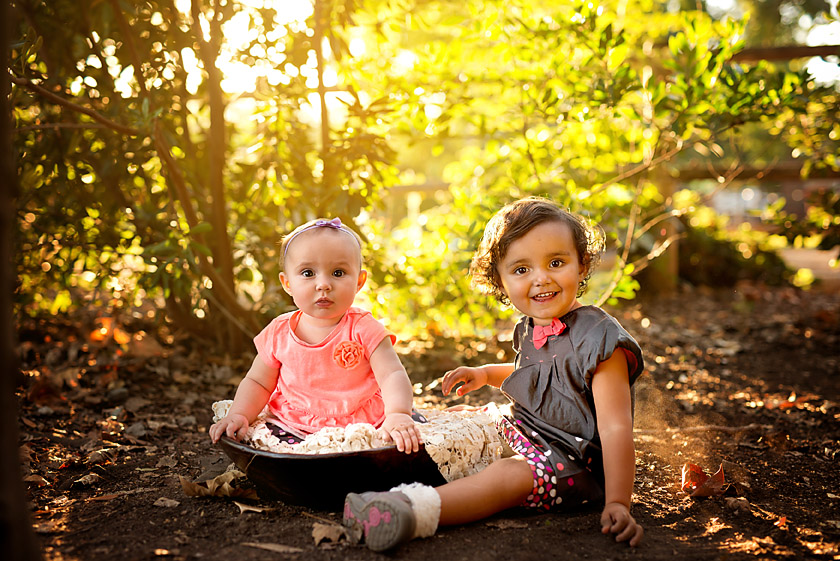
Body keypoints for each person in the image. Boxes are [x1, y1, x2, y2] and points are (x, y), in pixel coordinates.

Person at [342, 197, 645, 550]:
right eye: (521, 270)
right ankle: (375, 482)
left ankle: (410, 510)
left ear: (583, 264)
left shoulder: (600, 340)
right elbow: (540, 376)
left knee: (508, 476)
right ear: (500, 282)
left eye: (557, 262)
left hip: (570, 461)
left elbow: (615, 427)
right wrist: (486, 374)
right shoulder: (532, 325)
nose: (541, 278)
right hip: (523, 427)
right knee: (458, 426)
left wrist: (618, 502)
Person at [209, 217, 421, 454]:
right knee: (273, 452)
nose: (324, 284)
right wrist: (240, 413)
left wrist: (398, 413)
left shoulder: (363, 328)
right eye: (308, 272)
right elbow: (258, 381)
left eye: (338, 273)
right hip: (293, 420)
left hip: (361, 419)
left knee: (397, 446)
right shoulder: (279, 332)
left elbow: (392, 374)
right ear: (287, 283)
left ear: (359, 281)